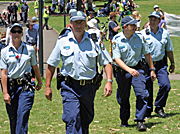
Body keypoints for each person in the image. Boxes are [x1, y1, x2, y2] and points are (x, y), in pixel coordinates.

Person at [45, 11, 113, 134]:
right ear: (70, 23)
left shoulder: (94, 41)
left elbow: (107, 62)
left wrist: (109, 81)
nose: (78, 25)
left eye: (81, 22)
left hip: (89, 87)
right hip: (70, 86)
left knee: (85, 121)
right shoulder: (63, 41)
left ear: (85, 22)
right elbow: (51, 64)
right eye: (75, 22)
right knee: (72, 118)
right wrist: (47, 86)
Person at [112, 16, 156, 131]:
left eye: (136, 25)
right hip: (122, 72)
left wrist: (152, 69)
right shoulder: (117, 39)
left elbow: (147, 54)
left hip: (138, 70)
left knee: (142, 94)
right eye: (132, 25)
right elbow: (117, 59)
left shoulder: (140, 37)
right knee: (123, 97)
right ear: (125, 27)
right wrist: (128, 70)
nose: (135, 27)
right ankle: (124, 119)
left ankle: (140, 120)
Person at [0, 23, 42, 134]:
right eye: (14, 31)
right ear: (10, 33)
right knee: (13, 117)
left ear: (22, 34)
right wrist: (5, 92)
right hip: (11, 87)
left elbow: (35, 67)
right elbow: (3, 73)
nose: (16, 34)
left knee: (22, 114)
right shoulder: (5, 52)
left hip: (25, 86)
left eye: (19, 31)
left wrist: (40, 82)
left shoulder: (29, 49)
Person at [141, 11, 175, 119]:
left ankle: (159, 107)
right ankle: (148, 110)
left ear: (160, 21)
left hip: (160, 64)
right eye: (151, 19)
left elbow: (169, 49)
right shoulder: (143, 33)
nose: (152, 21)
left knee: (166, 85)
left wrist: (172, 63)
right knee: (148, 89)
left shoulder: (165, 33)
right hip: (146, 65)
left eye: (155, 19)